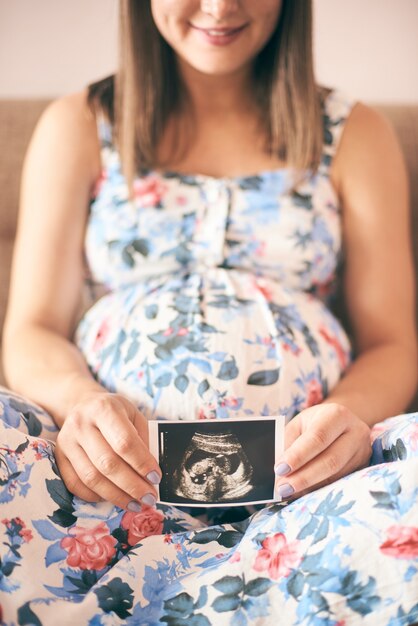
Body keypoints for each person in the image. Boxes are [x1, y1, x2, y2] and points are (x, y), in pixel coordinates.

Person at [0, 0, 417, 624]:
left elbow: (391, 339)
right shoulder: (81, 123)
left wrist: (348, 422)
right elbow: (31, 328)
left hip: (309, 496)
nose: (220, 6)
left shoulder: (355, 132)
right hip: (101, 485)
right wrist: (80, 403)